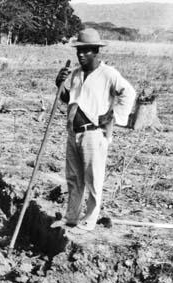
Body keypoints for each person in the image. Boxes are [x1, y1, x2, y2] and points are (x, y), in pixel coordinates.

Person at [55, 28, 136, 231]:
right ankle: (72, 217)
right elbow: (68, 98)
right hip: (73, 132)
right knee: (73, 178)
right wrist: (59, 84)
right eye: (79, 51)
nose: (81, 54)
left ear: (96, 51)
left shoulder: (108, 74)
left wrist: (114, 116)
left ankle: (90, 219)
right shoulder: (75, 74)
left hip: (93, 133)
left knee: (93, 178)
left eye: (86, 50)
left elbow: (129, 93)